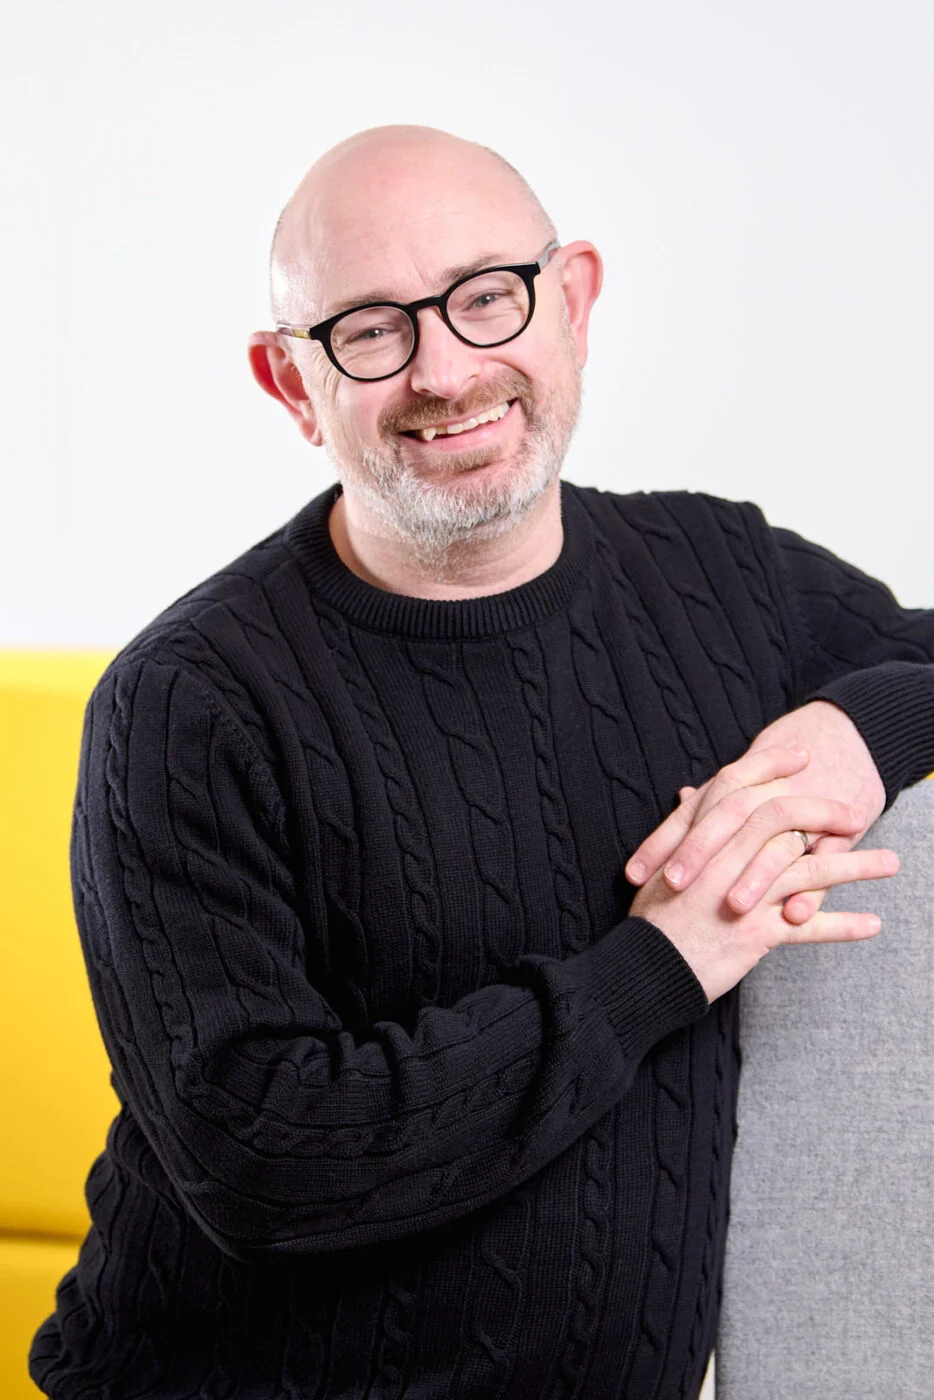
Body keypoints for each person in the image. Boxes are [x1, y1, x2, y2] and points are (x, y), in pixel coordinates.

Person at [31, 125, 934, 1400]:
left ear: (571, 303)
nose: (446, 369)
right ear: (292, 385)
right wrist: (656, 965)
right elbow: (263, 1159)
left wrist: (859, 729)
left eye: (484, 297)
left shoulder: (727, 576)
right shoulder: (190, 701)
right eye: (368, 329)